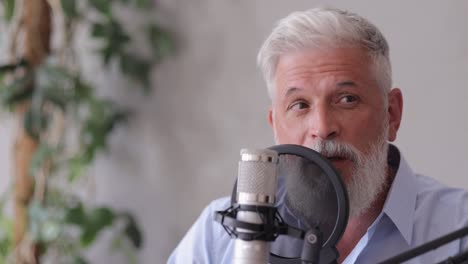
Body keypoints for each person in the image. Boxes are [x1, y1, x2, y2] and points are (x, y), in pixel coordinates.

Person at [168, 7, 468, 263]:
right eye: (299, 105)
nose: (323, 127)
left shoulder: (459, 229)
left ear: (392, 114)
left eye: (347, 99)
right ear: (275, 124)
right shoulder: (219, 234)